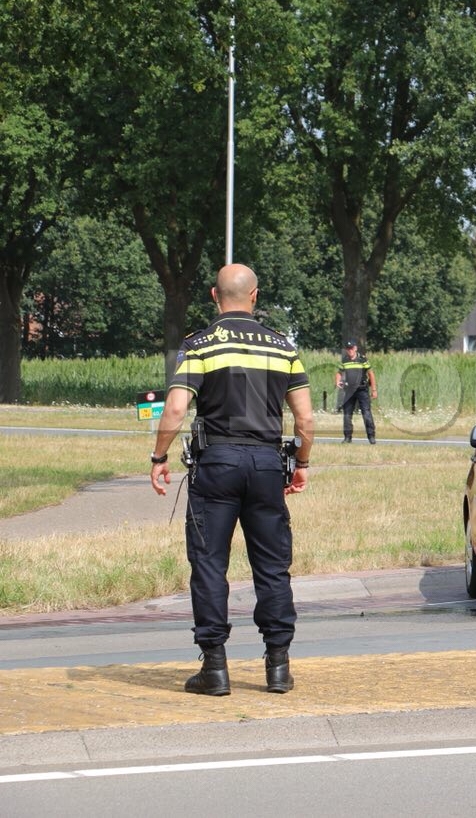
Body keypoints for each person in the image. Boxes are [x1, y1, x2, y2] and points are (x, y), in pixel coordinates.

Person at [149, 264, 314, 696]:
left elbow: (175, 410)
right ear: (254, 296)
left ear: (213, 295)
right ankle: (278, 668)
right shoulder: (283, 348)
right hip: (265, 464)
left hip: (216, 463)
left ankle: (215, 669)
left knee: (209, 565)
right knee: (273, 567)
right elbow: (306, 418)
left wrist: (159, 455)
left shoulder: (199, 345)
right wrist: (303, 463)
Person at [335, 340, 377, 444]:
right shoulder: (345, 360)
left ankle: (371, 436)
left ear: (355, 348)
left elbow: (371, 374)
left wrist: (374, 390)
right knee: (347, 414)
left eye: (352, 348)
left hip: (362, 390)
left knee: (366, 413)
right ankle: (347, 437)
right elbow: (339, 373)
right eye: (348, 349)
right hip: (349, 391)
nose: (350, 351)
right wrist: (337, 381)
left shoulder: (362, 360)